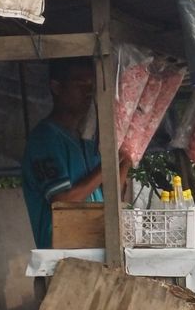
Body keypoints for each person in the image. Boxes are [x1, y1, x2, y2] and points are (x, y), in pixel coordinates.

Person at [21, 58, 130, 249]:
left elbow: (112, 192)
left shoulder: (85, 140)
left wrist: (126, 157)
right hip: (65, 255)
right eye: (80, 84)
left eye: (91, 85)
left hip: (96, 246)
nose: (88, 91)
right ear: (56, 87)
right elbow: (63, 200)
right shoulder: (45, 139)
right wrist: (110, 163)